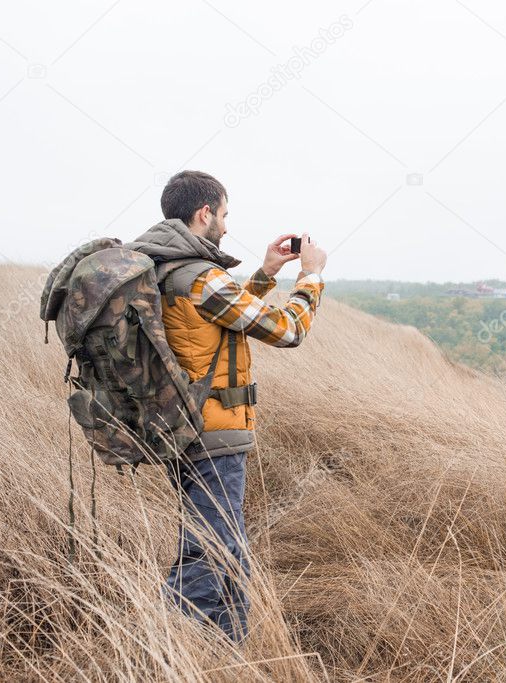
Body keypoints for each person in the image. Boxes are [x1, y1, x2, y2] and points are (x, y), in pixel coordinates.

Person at [130, 170, 327, 642]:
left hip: (184, 427)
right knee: (209, 554)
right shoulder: (199, 276)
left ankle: (226, 656)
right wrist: (311, 278)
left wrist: (265, 274)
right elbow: (285, 331)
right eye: (223, 215)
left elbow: (219, 322)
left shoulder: (163, 269)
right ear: (204, 213)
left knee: (230, 556)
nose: (224, 224)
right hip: (213, 435)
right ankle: (163, 655)